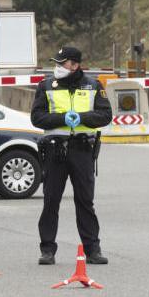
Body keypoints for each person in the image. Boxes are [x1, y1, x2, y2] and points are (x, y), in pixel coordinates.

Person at [30, 46, 112, 266]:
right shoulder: (46, 86)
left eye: (62, 64)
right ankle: (47, 250)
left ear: (75, 65)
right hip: (55, 150)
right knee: (51, 201)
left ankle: (92, 250)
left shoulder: (93, 85)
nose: (57, 68)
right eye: (56, 63)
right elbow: (37, 118)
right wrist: (63, 118)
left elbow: (105, 115)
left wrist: (83, 117)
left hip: (83, 150)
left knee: (85, 201)